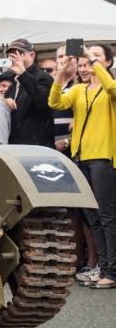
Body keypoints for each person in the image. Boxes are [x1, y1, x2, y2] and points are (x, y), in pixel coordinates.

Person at [50, 44, 116, 289]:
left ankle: (113, 271)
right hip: (81, 157)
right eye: (86, 61)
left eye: (95, 58)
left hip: (105, 158)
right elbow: (54, 101)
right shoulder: (79, 89)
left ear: (108, 62)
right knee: (93, 217)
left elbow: (111, 86)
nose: (88, 64)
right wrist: (61, 73)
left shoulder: (110, 89)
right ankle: (105, 268)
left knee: (108, 216)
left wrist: (89, 55)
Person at [3, 38, 54, 147]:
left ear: (32, 55)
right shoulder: (12, 82)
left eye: (19, 53)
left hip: (37, 147)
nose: (14, 57)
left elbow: (44, 103)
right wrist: (4, 100)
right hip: (16, 146)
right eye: (11, 54)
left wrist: (23, 73)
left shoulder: (44, 77)